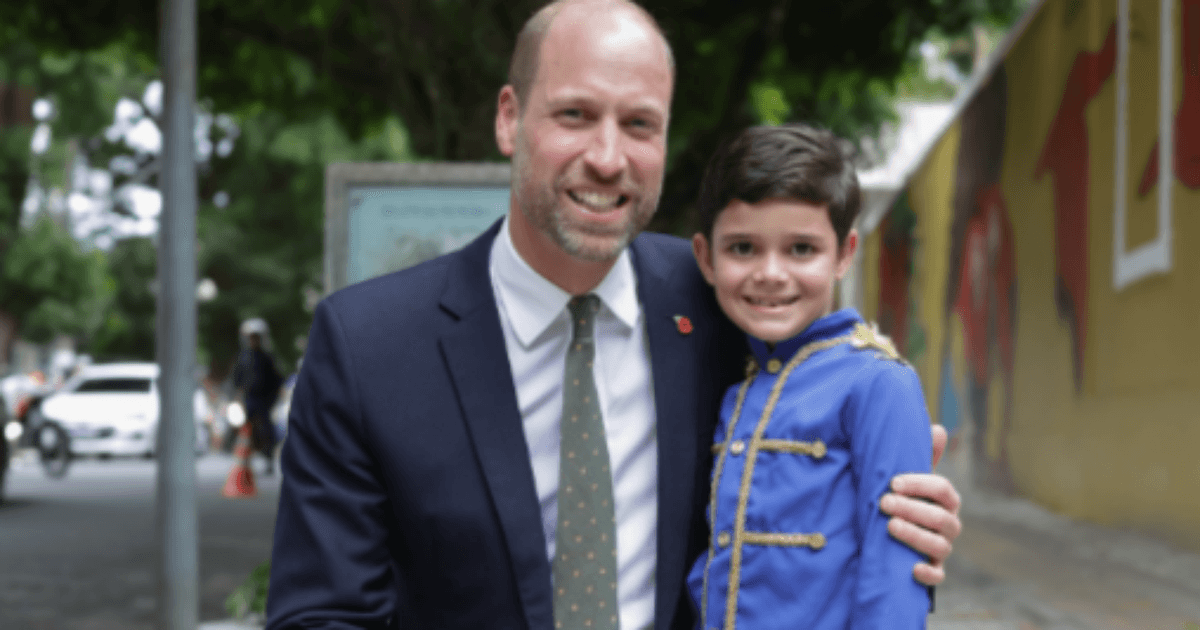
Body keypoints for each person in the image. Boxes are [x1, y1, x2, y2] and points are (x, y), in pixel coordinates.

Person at [266, 2, 962, 628]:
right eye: (574, 115)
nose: (607, 158)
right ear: (510, 118)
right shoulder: (368, 346)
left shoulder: (724, 307)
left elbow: (821, 464)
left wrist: (898, 510)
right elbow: (322, 616)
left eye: (638, 125)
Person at [687, 124, 931, 629]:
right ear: (705, 258)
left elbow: (895, 576)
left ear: (844, 254)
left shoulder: (880, 382)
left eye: (801, 249)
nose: (771, 273)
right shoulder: (734, 379)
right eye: (742, 249)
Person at [231, 326, 283, 475]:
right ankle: (245, 460)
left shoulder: (267, 357)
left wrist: (272, 398)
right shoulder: (243, 357)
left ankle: (268, 458)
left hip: (263, 400)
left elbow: (276, 379)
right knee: (246, 431)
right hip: (248, 399)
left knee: (266, 429)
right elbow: (236, 379)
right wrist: (237, 397)